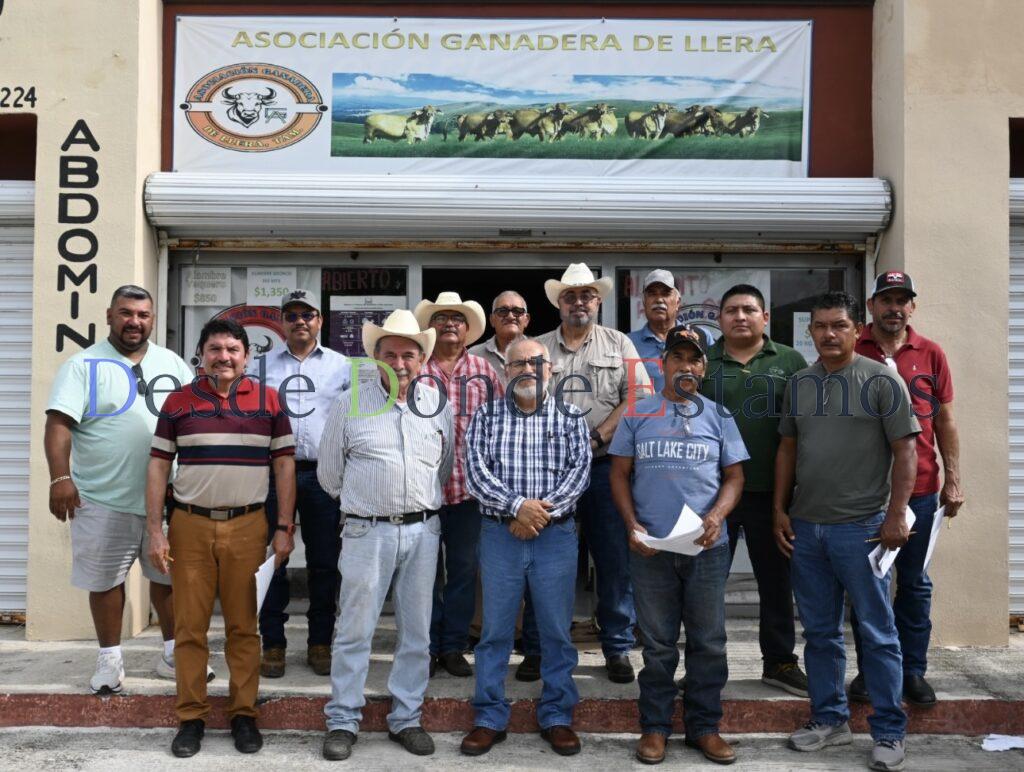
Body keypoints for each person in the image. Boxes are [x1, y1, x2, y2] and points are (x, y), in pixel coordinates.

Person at [774, 291, 919, 772]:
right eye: (820, 326)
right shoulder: (799, 383)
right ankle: (830, 720)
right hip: (808, 527)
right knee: (818, 633)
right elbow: (788, 451)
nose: (829, 334)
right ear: (809, 331)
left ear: (858, 329)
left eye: (839, 325)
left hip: (862, 530)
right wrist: (780, 509)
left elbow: (905, 452)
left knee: (877, 633)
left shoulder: (882, 380)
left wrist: (896, 514)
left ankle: (889, 730)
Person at [146, 318, 296, 758]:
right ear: (202, 354)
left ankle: (243, 714)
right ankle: (190, 717)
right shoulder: (178, 402)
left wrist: (285, 528)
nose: (224, 357)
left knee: (243, 628)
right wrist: (156, 529)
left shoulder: (268, 400)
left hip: (249, 526)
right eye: (215, 349)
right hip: (189, 525)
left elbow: (285, 465)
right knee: (190, 627)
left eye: (233, 349)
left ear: (247, 356)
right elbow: (158, 465)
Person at [44, 285, 194, 694]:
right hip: (103, 496)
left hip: (168, 499)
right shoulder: (84, 365)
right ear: (110, 314)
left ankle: (172, 655)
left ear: (152, 318)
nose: (135, 321)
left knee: (169, 581)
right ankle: (109, 661)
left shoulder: (173, 364)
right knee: (106, 581)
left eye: (143, 315)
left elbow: (195, 421)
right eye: (126, 313)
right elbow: (59, 424)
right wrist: (60, 478)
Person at [319, 310, 454, 762]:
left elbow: (445, 465)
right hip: (366, 531)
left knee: (416, 633)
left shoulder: (437, 402)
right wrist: (368, 504)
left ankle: (406, 718)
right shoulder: (349, 402)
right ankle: (342, 720)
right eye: (390, 354)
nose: (400, 362)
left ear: (423, 360)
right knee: (354, 630)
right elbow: (329, 475)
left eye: (409, 355)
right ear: (374, 358)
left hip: (423, 531)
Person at [610, 324, 748, 766]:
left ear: (703, 368)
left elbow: (734, 477)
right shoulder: (637, 414)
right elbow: (618, 474)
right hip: (650, 548)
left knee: (708, 642)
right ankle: (655, 728)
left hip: (707, 547)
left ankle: (704, 727)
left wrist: (717, 516)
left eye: (694, 358)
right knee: (657, 644)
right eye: (677, 357)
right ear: (663, 364)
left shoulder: (719, 417)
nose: (685, 365)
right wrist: (632, 525)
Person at [460, 338, 591, 758]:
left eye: (536, 362)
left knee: (555, 632)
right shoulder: (485, 416)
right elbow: (475, 472)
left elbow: (579, 475)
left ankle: (556, 715)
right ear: (505, 370)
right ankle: (489, 717)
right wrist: (518, 509)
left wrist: (537, 516)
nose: (528, 369)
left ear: (550, 369)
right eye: (518, 363)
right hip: (501, 535)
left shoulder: (572, 418)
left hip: (555, 537)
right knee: (495, 632)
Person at [848, 271, 963, 708]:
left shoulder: (931, 353)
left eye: (902, 300)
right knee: (866, 585)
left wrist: (953, 479)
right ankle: (870, 671)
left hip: (921, 490)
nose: (894, 307)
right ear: (872, 305)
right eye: (886, 299)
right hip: (864, 492)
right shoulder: (852, 348)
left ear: (911, 307)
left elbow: (946, 421)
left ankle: (912, 671)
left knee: (914, 585)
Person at [536, 262, 651, 684]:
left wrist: (598, 438)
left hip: (605, 469)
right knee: (550, 562)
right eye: (570, 295)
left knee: (613, 561)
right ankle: (541, 647)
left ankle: (617, 648)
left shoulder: (620, 343)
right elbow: (527, 400)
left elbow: (640, 396)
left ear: (598, 301)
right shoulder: (539, 347)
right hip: (552, 472)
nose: (579, 302)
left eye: (587, 295)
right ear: (559, 303)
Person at [701, 284, 809, 697]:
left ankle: (779, 662)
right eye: (731, 310)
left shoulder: (789, 360)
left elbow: (802, 430)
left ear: (765, 317)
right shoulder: (705, 362)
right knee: (706, 586)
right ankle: (705, 666)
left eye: (749, 309)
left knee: (776, 583)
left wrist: (791, 497)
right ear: (720, 319)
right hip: (714, 496)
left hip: (772, 495)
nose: (740, 316)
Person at [255, 289, 350, 679]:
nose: (300, 321)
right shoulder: (260, 368)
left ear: (319, 321)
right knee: (272, 560)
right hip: (274, 473)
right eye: (292, 315)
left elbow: (353, 423)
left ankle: (320, 642)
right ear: (282, 322)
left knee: (325, 563)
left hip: (323, 474)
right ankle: (273, 643)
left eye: (307, 314)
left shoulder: (342, 367)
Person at [414, 292, 501, 678]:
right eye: (442, 317)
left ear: (467, 329)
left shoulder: (485, 370)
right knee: (423, 575)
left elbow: (502, 426)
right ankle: (426, 647)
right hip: (422, 488)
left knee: (464, 571)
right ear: (431, 327)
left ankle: (452, 646)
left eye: (457, 318)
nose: (449, 323)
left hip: (469, 491)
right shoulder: (416, 370)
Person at [627, 269, 681, 394]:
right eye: (652, 294)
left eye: (665, 294)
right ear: (644, 302)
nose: (659, 300)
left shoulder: (699, 337)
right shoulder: (627, 343)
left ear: (678, 302)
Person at [468, 290, 531, 387]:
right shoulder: (473, 355)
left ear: (526, 320)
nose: (510, 316)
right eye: (502, 311)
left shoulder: (541, 352)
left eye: (517, 311)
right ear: (492, 320)